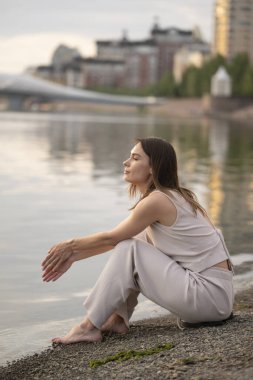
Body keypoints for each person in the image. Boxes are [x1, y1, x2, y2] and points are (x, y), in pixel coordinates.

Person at [42, 137, 234, 344]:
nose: (126, 162)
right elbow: (115, 242)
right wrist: (72, 256)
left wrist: (70, 245)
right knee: (133, 245)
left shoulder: (158, 200)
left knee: (130, 248)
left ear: (153, 168)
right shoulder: (175, 197)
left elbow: (114, 238)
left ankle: (87, 327)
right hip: (216, 300)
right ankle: (117, 319)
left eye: (135, 158)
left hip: (207, 299)